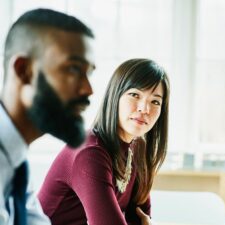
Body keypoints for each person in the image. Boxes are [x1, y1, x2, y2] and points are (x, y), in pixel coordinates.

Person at [38, 58, 170, 225]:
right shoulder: (90, 152)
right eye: (135, 95)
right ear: (115, 96)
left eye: (155, 101)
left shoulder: (137, 149)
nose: (144, 108)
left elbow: (140, 217)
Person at [0, 8, 95, 225]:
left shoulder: (16, 164)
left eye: (89, 72)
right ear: (24, 71)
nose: (88, 89)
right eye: (73, 69)